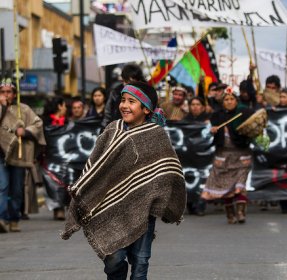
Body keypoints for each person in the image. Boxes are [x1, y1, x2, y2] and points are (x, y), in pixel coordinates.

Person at [61, 81, 186, 280]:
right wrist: (83, 189)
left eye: (131, 101)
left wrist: (158, 196)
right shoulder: (112, 129)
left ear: (146, 109)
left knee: (141, 262)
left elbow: (168, 170)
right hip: (111, 209)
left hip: (144, 210)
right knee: (114, 259)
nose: (124, 105)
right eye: (123, 100)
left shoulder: (157, 135)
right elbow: (95, 166)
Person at [201, 87, 254, 224]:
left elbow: (255, 127)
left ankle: (241, 212)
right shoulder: (217, 116)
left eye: (232, 99)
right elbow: (205, 134)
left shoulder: (244, 114)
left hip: (242, 155)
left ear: (236, 101)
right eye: (226, 99)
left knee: (240, 185)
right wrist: (212, 130)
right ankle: (230, 214)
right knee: (225, 187)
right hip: (223, 157)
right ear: (222, 102)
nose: (229, 102)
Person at [0, 79, 45, 233]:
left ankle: (13, 218)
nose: (6, 95)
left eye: (9, 92)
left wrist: (25, 131)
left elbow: (37, 124)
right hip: (1, 155)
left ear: (14, 94)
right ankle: (2, 218)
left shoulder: (24, 109)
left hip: (18, 156)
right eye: (2, 92)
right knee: (2, 186)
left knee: (17, 189)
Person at [42, 96, 69, 220]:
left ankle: (63, 206)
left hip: (66, 158)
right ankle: (57, 208)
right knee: (51, 183)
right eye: (64, 105)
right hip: (50, 157)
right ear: (59, 106)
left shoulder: (68, 122)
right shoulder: (46, 122)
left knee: (66, 182)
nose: (65, 108)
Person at [102, 63, 146, 128]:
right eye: (125, 81)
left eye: (130, 82)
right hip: (118, 128)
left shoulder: (146, 92)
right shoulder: (116, 92)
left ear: (138, 80)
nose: (127, 85)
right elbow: (108, 113)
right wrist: (104, 129)